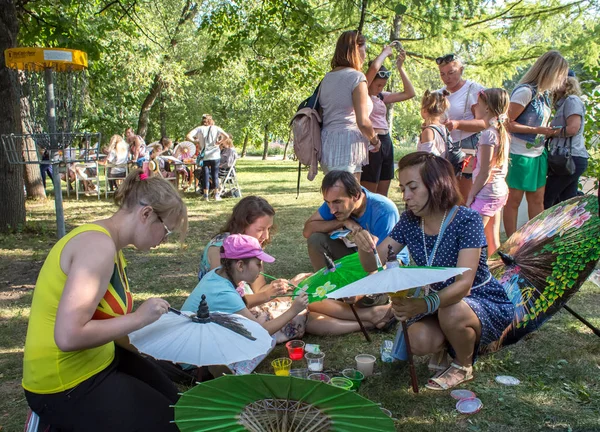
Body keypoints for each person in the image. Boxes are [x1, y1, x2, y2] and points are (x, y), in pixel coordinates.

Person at [22, 169, 188, 431]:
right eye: (166, 230)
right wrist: (138, 318)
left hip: (99, 359)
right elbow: (68, 337)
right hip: (63, 383)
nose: (163, 240)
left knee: (174, 402)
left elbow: (105, 320)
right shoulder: (98, 247)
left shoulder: (110, 245)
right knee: (168, 423)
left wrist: (149, 344)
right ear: (146, 214)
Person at [354, 152, 514, 391]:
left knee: (452, 311)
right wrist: (364, 246)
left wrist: (422, 306)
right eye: (403, 189)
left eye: (413, 187)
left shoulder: (466, 220)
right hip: (437, 301)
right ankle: (449, 344)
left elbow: (464, 284)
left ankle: (463, 365)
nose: (406, 197)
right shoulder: (410, 220)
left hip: (475, 299)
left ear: (436, 185)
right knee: (417, 341)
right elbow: (373, 265)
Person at [199, 195, 395, 337]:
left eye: (268, 229)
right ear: (242, 224)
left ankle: (369, 319)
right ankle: (369, 318)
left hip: (248, 306)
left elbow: (257, 289)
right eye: (260, 229)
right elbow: (232, 301)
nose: (266, 236)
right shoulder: (222, 251)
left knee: (302, 294)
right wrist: (274, 295)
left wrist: (288, 285)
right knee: (301, 308)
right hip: (232, 315)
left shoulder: (249, 249)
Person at [183, 234, 309, 374]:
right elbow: (261, 333)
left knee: (262, 319)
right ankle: (232, 371)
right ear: (240, 265)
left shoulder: (216, 275)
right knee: (267, 339)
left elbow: (240, 305)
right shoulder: (224, 292)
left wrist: (268, 295)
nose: (261, 270)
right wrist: (294, 309)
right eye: (258, 264)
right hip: (196, 362)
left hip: (195, 348)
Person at [503, 50, 569, 237]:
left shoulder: (545, 95)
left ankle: (534, 240)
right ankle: (511, 243)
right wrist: (538, 131)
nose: (562, 79)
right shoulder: (525, 91)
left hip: (538, 154)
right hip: (518, 153)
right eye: (560, 74)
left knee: (537, 201)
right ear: (550, 71)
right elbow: (507, 123)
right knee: (513, 201)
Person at [454, 88, 510, 257]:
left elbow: (485, 172)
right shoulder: (501, 132)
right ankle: (495, 272)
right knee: (492, 238)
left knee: (471, 239)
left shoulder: (488, 135)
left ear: (487, 108)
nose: (475, 107)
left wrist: (471, 195)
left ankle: (471, 274)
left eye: (478, 103)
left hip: (487, 193)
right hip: (498, 191)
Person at [320, 30, 380, 180]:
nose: (365, 55)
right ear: (356, 49)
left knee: (336, 197)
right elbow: (363, 122)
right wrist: (375, 141)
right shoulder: (356, 77)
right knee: (349, 199)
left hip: (328, 142)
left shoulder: (328, 78)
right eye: (364, 49)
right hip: (347, 144)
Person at [361, 43, 415, 196]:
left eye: (383, 85)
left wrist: (400, 67)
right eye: (378, 85)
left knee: (383, 192)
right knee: (370, 192)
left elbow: (409, 93)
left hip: (386, 141)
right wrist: (384, 53)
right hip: (372, 142)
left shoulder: (381, 96)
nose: (380, 88)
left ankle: (381, 218)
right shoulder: (362, 93)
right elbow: (372, 70)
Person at [437, 54, 486, 201]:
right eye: (442, 74)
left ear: (461, 70)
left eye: (451, 73)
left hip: (467, 146)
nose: (447, 78)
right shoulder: (439, 94)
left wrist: (457, 124)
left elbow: (484, 123)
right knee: (446, 194)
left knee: (464, 196)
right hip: (444, 146)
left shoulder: (473, 89)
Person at [544, 72, 589, 208]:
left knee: (547, 199)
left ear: (567, 82)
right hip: (569, 159)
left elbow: (573, 129)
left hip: (570, 158)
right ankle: (568, 229)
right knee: (566, 202)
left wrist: (550, 132)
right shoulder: (563, 103)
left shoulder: (572, 100)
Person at [186, 114, 227, 200]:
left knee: (205, 175)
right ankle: (216, 195)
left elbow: (188, 136)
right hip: (215, 154)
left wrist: (195, 141)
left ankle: (206, 196)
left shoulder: (199, 129)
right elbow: (226, 136)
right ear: (211, 120)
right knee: (215, 174)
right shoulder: (216, 128)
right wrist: (219, 142)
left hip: (204, 156)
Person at [417, 90, 451, 156]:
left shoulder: (428, 132)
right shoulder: (444, 128)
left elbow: (427, 159)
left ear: (425, 110)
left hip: (432, 166)